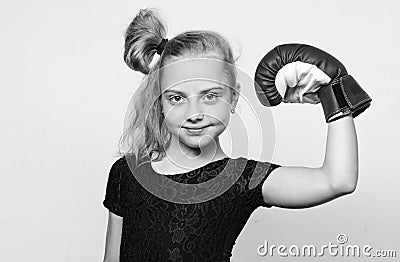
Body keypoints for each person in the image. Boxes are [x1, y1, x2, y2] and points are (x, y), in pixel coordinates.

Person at [102, 7, 370, 262]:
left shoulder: (240, 179)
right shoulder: (126, 172)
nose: (194, 113)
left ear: (233, 97)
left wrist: (334, 94)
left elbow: (338, 181)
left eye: (210, 96)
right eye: (177, 97)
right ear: (159, 102)